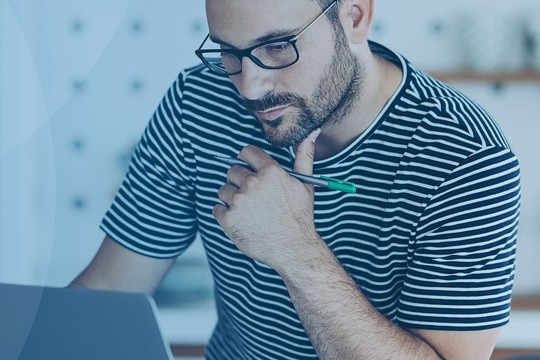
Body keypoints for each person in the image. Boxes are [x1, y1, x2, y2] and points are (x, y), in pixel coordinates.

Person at [70, 0, 521, 358]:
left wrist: (295, 249)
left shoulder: (468, 160)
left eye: (278, 46)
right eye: (229, 51)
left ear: (355, 16)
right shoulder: (198, 103)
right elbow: (110, 295)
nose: (249, 86)